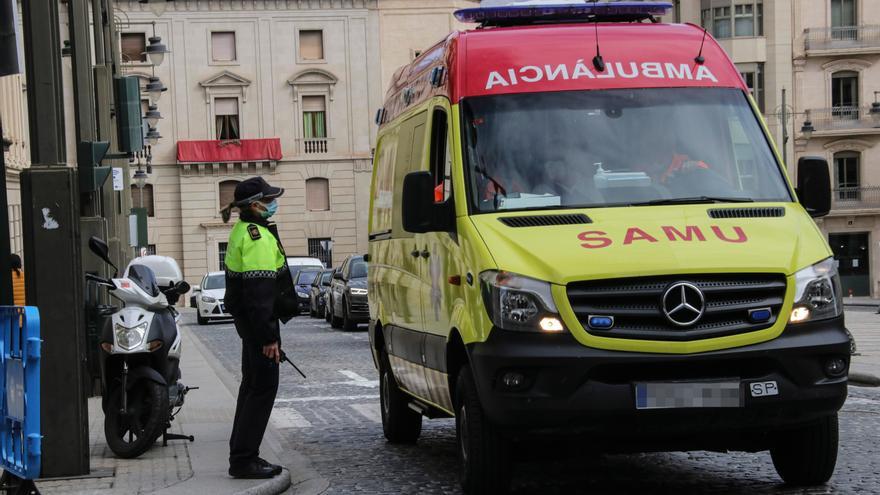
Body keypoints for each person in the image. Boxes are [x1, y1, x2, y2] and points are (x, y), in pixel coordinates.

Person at [220, 177, 288, 479]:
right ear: (254, 205)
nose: (274, 203)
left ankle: (241, 452)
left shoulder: (241, 232)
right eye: (269, 199)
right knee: (262, 389)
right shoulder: (256, 237)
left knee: (251, 388)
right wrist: (269, 338)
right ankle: (245, 459)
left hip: (249, 327)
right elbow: (260, 294)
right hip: (258, 328)